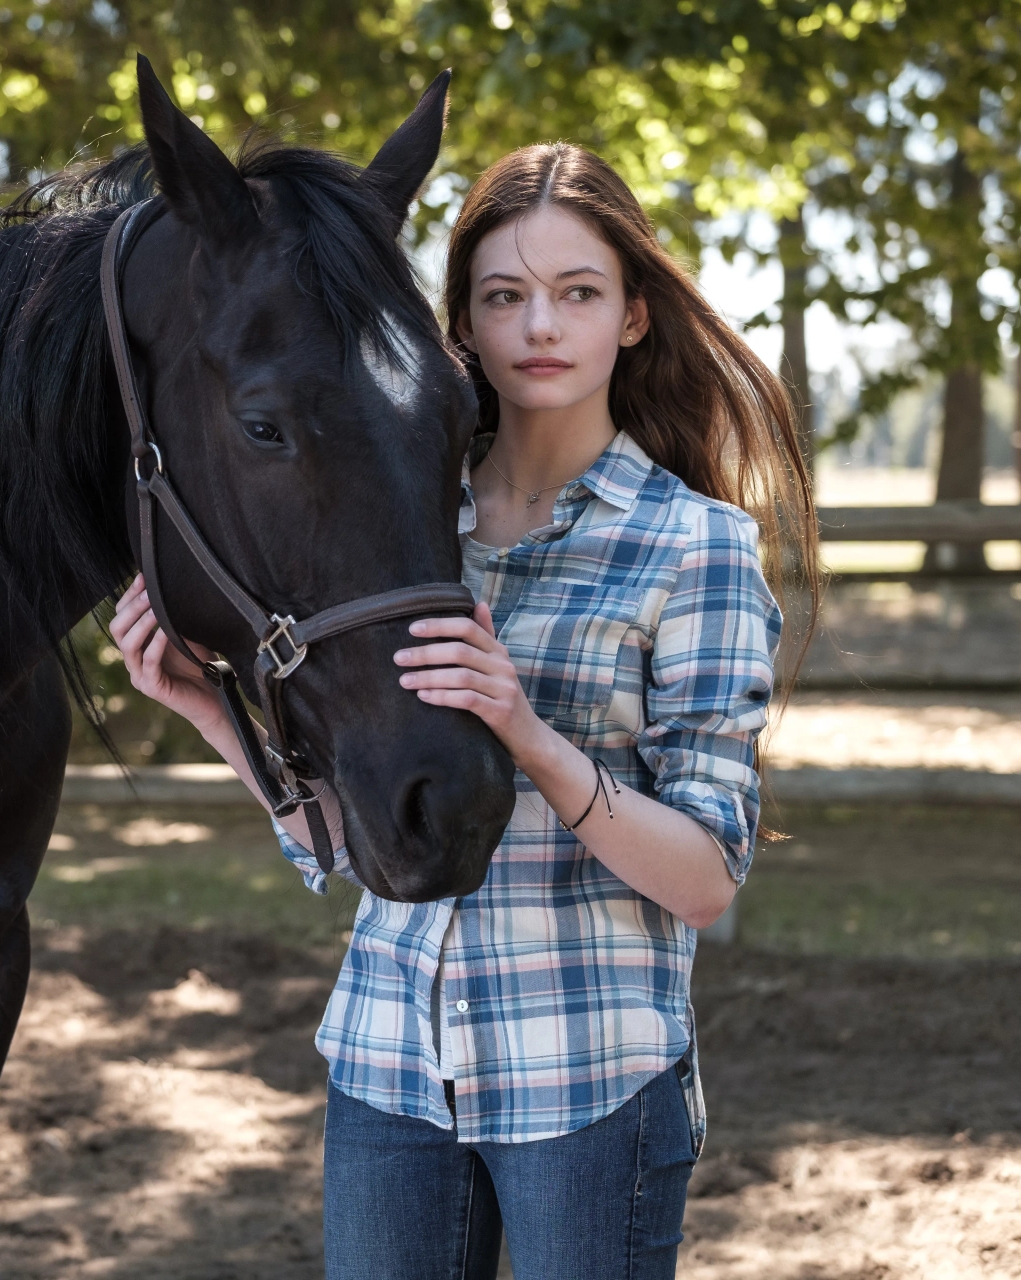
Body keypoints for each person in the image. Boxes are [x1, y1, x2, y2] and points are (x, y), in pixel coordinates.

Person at [108, 142, 817, 1280]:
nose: (540, 324)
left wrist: (530, 736)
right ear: (463, 324)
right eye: (503, 296)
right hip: (390, 1068)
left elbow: (706, 876)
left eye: (577, 292)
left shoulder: (699, 546)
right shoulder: (405, 516)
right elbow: (354, 841)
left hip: (589, 1085)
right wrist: (204, 711)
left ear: (633, 317)